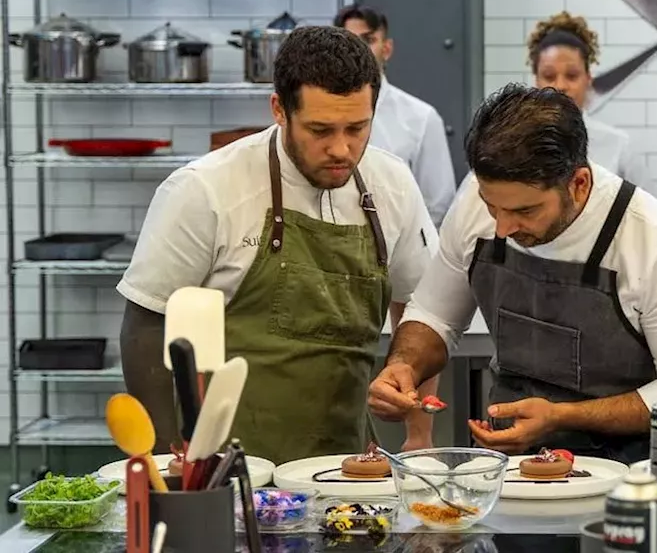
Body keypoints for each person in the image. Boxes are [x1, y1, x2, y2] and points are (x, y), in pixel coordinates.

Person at [118, 26, 438, 463]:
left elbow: (419, 311)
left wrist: (418, 437)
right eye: (320, 130)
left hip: (347, 463)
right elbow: (146, 325)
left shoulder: (392, 184)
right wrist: (164, 460)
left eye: (357, 128)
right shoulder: (205, 190)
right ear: (280, 110)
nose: (341, 148)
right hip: (226, 467)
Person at [366, 83, 657, 463]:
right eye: (492, 206)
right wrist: (403, 366)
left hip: (630, 476)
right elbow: (434, 315)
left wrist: (560, 417)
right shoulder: (480, 207)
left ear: (578, 184)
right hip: (511, 469)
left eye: (525, 212)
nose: (501, 227)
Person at [335, 4, 457, 226]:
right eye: (350, 41)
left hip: (398, 253)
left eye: (368, 40)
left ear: (387, 49)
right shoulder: (319, 115)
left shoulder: (421, 119)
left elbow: (438, 206)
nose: (358, 50)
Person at [528, 11, 648, 187]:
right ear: (536, 81)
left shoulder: (619, 146)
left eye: (571, 75)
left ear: (588, 79)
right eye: (549, 76)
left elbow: (651, 212)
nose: (560, 85)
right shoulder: (513, 147)